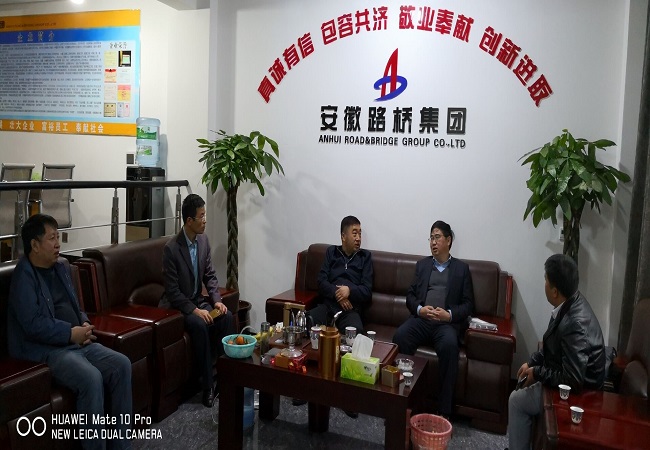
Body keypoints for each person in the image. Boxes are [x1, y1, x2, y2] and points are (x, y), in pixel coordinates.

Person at [7, 214, 132, 450]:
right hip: (46, 351)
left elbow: (75, 305)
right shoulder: (24, 276)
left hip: (76, 342)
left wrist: (83, 323)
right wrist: (70, 333)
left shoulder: (60, 267)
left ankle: (122, 446)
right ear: (34, 245)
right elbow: (32, 324)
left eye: (58, 237)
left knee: (122, 365)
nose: (58, 244)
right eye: (51, 238)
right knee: (91, 378)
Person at [507, 254, 605, 450]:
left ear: (554, 291)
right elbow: (552, 346)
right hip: (564, 375)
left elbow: (573, 380)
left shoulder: (575, 324)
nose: (543, 283)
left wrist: (537, 373)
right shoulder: (569, 302)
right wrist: (532, 363)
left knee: (516, 401)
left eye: (546, 280)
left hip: (581, 394)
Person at [392, 220, 474, 418]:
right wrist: (420, 309)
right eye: (431, 238)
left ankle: (444, 411)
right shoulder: (422, 265)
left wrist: (449, 315)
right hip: (422, 320)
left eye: (437, 237)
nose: (433, 242)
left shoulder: (461, 269)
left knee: (450, 346)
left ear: (448, 240)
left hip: (445, 325)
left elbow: (468, 305)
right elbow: (410, 296)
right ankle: (403, 402)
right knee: (400, 336)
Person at [160, 194, 235, 408]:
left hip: (197, 300)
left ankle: (225, 379)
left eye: (205, 215)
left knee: (226, 317)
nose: (205, 220)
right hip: (178, 307)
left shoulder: (203, 240)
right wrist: (194, 310)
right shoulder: (172, 249)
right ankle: (207, 387)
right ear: (189, 221)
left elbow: (210, 276)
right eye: (201, 216)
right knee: (200, 324)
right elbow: (173, 292)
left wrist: (217, 301)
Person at [316, 215, 373, 335]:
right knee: (306, 321)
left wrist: (349, 290)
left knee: (355, 332)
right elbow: (321, 281)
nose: (358, 238)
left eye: (360, 234)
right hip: (328, 306)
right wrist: (338, 295)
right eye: (354, 234)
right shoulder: (332, 252)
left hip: (349, 310)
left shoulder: (365, 257)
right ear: (343, 236)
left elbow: (367, 291)